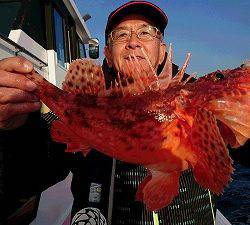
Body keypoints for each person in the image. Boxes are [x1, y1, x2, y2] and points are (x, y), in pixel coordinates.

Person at [0, 1, 249, 225]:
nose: (133, 41)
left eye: (145, 32)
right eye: (121, 35)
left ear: (162, 50)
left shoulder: (203, 103)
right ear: (108, 53)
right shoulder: (86, 104)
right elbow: (25, 180)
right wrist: (12, 128)